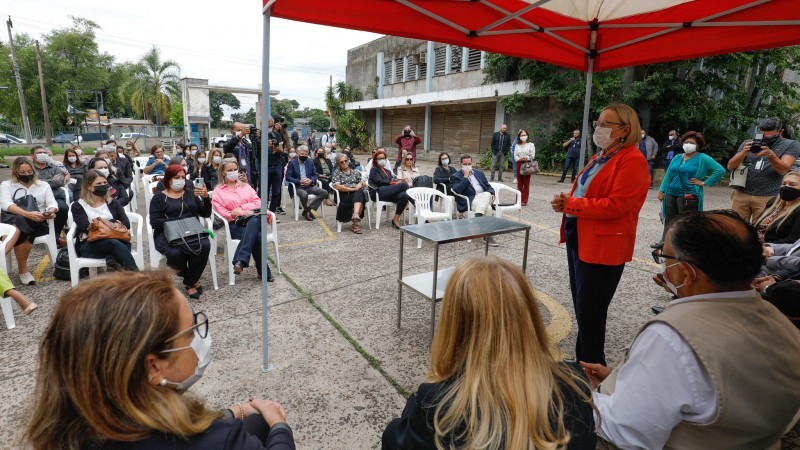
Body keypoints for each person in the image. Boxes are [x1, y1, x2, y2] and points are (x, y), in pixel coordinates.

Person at [581, 210, 800, 449]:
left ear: (687, 273)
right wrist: (621, 376)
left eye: (665, 257)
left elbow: (623, 433)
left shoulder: (673, 337)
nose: (664, 267)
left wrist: (585, 396)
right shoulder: (779, 322)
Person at [25, 271, 295, 450]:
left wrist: (232, 412)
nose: (200, 338)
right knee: (262, 424)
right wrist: (280, 426)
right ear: (153, 366)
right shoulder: (221, 441)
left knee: (252, 420)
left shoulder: (69, 428)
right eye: (190, 331)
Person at [382, 257, 596, 450]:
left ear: (453, 324)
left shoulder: (437, 406)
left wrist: (415, 401)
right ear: (529, 315)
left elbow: (393, 439)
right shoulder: (575, 384)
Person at [550, 104, 649, 365]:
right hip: (580, 235)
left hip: (604, 245)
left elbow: (617, 205)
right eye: (598, 123)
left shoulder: (633, 160)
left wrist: (572, 204)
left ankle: (592, 366)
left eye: (606, 124)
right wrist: (566, 200)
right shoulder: (602, 156)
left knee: (591, 312)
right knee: (583, 308)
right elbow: (587, 193)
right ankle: (584, 360)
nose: (599, 128)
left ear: (625, 130)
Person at [149, 165, 212, 299]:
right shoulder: (158, 198)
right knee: (175, 253)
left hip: (191, 231)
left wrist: (206, 198)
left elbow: (205, 213)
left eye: (183, 177)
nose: (181, 180)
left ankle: (189, 281)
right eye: (177, 177)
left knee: (205, 245)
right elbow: (154, 222)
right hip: (167, 233)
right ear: (168, 179)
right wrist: (177, 222)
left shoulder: (191, 193)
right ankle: (190, 278)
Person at [727, 117, 800, 223]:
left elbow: (783, 170)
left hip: (769, 195)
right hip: (742, 192)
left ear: (781, 131)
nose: (766, 136)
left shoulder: (791, 144)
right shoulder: (749, 142)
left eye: (770, 133)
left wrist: (770, 154)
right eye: (763, 132)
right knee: (736, 227)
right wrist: (743, 153)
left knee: (762, 228)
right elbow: (730, 166)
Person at [212, 160, 275, 282]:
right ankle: (263, 272)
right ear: (223, 173)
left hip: (253, 219)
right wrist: (241, 213)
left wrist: (241, 209)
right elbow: (222, 213)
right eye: (229, 170)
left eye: (235, 169)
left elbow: (258, 203)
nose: (233, 172)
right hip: (235, 224)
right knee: (257, 236)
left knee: (254, 222)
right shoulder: (218, 191)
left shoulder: (246, 186)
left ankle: (240, 260)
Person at [657, 131, 726, 242]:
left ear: (697, 145)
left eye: (691, 142)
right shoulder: (677, 157)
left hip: (689, 194)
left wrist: (704, 182)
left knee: (686, 221)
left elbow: (720, 170)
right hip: (671, 192)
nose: (688, 144)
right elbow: (668, 174)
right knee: (669, 219)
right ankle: (666, 242)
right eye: (686, 142)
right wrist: (661, 190)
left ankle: (683, 244)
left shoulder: (702, 158)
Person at [0, 157, 59, 285]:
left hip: (39, 222)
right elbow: (6, 205)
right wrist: (28, 214)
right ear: (15, 172)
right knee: (23, 222)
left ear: (33, 170)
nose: (26, 175)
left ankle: (4, 255)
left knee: (21, 225)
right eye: (22, 172)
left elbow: (52, 203)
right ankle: (23, 270)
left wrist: (50, 212)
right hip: (15, 221)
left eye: (29, 171)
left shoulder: (43, 185)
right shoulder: (7, 185)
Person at [70, 170, 138, 271]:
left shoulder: (112, 202)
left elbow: (126, 224)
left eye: (105, 183)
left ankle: (112, 262)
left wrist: (100, 224)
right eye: (98, 184)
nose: (103, 185)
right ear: (89, 187)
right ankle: (136, 275)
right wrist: (112, 223)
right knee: (113, 243)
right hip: (91, 244)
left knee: (115, 244)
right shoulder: (78, 206)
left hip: (118, 240)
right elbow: (86, 229)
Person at [30, 145, 69, 246]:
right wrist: (51, 180)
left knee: (63, 208)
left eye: (44, 152)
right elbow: (30, 183)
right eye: (39, 153)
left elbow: (60, 181)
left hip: (55, 196)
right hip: (36, 199)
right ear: (32, 156)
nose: (43, 155)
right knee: (35, 213)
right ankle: (52, 237)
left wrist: (41, 182)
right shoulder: (30, 169)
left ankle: (54, 234)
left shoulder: (54, 166)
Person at [751, 171, 800, 245]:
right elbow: (756, 226)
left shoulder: (798, 211)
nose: (786, 186)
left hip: (774, 252)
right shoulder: (773, 203)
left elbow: (792, 240)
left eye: (792, 184)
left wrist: (764, 247)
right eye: (783, 184)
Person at [368, 149, 411, 229]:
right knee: (404, 185)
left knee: (404, 195)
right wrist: (396, 183)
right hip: (377, 192)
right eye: (379, 158)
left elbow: (391, 181)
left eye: (383, 158)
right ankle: (415, 203)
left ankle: (395, 219)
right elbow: (380, 181)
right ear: (375, 160)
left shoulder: (387, 171)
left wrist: (399, 181)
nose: (382, 160)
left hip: (388, 192)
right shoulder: (374, 169)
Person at [285, 145, 328, 221]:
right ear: (298, 154)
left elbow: (315, 175)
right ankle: (307, 211)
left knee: (324, 192)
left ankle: (307, 210)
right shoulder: (292, 163)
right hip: (298, 187)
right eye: (302, 154)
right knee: (304, 195)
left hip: (309, 185)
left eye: (306, 154)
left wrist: (311, 180)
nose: (304, 156)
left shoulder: (310, 162)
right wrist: (299, 181)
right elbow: (288, 177)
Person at [332, 153, 367, 234]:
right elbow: (337, 186)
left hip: (356, 193)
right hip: (344, 194)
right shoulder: (337, 172)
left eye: (346, 160)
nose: (344, 163)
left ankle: (355, 215)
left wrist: (361, 183)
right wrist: (351, 189)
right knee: (359, 194)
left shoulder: (355, 171)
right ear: (338, 164)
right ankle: (355, 224)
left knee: (359, 192)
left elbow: (363, 182)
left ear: (348, 160)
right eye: (341, 162)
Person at [224, 122, 257, 188]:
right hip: (235, 176)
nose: (241, 132)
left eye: (242, 130)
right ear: (232, 131)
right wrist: (240, 135)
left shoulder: (246, 143)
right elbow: (227, 147)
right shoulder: (230, 144)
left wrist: (257, 138)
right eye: (238, 130)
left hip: (248, 175)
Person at [514, 129, 536, 206]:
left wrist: (526, 157)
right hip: (519, 163)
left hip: (527, 164)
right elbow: (515, 155)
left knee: (526, 183)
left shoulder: (531, 145)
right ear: (519, 136)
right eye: (522, 135)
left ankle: (524, 200)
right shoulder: (517, 145)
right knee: (519, 183)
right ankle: (518, 200)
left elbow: (532, 155)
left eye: (524, 135)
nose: (523, 136)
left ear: (527, 136)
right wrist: (520, 159)